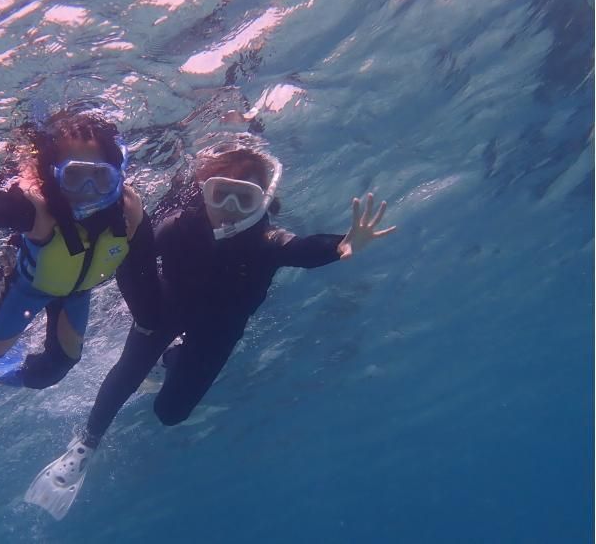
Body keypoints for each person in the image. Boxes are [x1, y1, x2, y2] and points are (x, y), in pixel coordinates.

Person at [22, 134, 397, 519]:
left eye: (244, 199)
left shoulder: (267, 239)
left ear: (263, 201)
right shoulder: (181, 226)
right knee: (127, 373)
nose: (230, 209)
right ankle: (84, 446)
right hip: (166, 310)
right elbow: (138, 256)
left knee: (170, 414)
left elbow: (300, 249)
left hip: (219, 328)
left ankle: (173, 357)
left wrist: (340, 246)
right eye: (221, 195)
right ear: (204, 192)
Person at [0, 110, 159, 431]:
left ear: (117, 174)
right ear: (54, 176)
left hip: (76, 293)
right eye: (75, 177)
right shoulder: (37, 209)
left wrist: (152, 323)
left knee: (58, 367)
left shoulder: (129, 212)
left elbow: (145, 272)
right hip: (29, 287)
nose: (88, 190)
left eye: (100, 177)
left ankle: (12, 377)